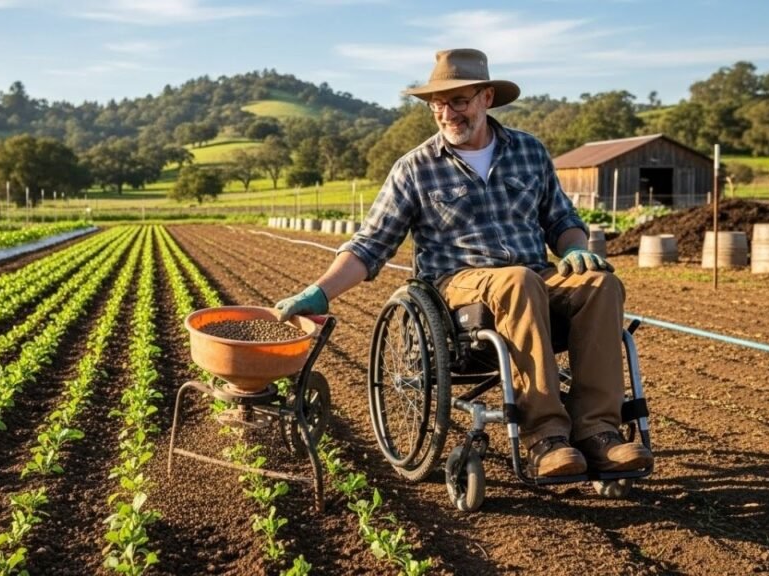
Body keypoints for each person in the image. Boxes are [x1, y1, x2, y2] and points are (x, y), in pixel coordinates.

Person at [275, 48, 652, 477]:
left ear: (486, 98)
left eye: (458, 101)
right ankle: (545, 437)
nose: (447, 113)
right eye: (438, 104)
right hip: (459, 288)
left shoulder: (529, 151)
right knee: (517, 281)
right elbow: (370, 245)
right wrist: (320, 292)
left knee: (601, 284)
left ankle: (599, 432)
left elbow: (562, 219)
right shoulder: (415, 169)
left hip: (533, 277)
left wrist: (574, 249)